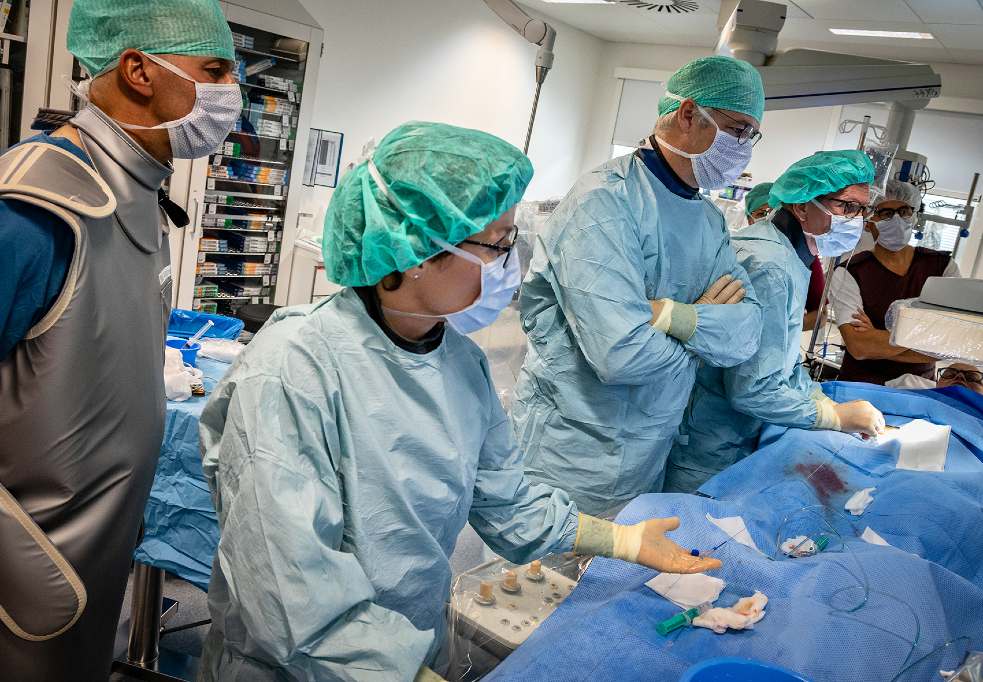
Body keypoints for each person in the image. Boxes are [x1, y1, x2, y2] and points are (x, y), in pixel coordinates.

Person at [198, 121, 722, 682]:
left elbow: (508, 502)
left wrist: (619, 538)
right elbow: (290, 593)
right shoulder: (292, 370)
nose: (509, 268)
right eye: (497, 245)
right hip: (299, 666)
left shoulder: (459, 363)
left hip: (412, 645)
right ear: (419, 248)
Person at [0, 2, 238, 680]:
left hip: (89, 561)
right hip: (29, 578)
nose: (233, 97)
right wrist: (26, 568)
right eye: (215, 69)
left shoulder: (133, 192)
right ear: (138, 69)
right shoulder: (36, 207)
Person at [511, 56, 764, 516]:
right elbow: (620, 355)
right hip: (572, 457)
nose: (746, 149)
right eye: (738, 130)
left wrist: (670, 316)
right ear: (689, 113)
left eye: (752, 135)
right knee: (536, 587)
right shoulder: (603, 203)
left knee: (614, 585)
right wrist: (702, 330)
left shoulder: (708, 221)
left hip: (649, 455)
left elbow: (746, 334)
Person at [663, 151, 886, 494]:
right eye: (846, 206)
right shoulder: (770, 265)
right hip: (707, 447)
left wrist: (820, 400)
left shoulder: (788, 256)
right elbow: (751, 389)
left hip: (724, 437)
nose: (857, 220)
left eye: (862, 210)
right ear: (801, 206)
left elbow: (780, 360)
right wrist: (834, 418)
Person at [832, 179, 960, 385]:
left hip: (920, 388)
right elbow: (859, 347)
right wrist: (925, 334)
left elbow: (950, 343)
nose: (897, 220)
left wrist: (878, 340)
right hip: (862, 387)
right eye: (885, 213)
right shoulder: (851, 272)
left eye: (904, 211)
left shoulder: (942, 267)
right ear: (867, 223)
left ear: (914, 215)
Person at [745, 181, 825, 331]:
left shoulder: (805, 259)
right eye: (761, 213)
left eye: (774, 212)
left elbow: (821, 315)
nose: (768, 219)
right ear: (749, 218)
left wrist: (786, 325)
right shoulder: (737, 253)